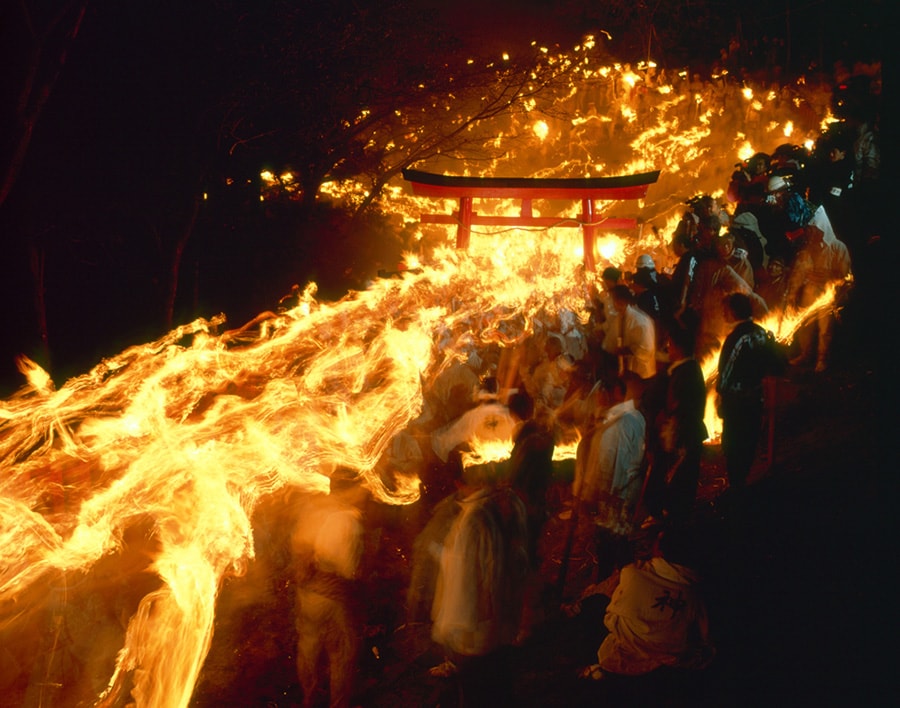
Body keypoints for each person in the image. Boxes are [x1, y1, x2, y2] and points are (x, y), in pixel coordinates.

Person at [428, 471, 529, 702]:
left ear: (459, 483)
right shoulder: (494, 508)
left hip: (474, 628)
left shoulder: (474, 518)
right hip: (492, 622)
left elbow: (466, 579)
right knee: (496, 682)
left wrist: (450, 627)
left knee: (479, 689)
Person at [579, 524, 714, 680]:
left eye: (655, 542)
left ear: (661, 551)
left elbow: (612, 611)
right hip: (665, 657)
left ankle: (592, 665)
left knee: (595, 604)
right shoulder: (694, 594)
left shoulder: (634, 573)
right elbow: (704, 635)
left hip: (633, 646)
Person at [292, 470, 370, 708]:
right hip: (334, 597)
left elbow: (299, 544)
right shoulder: (348, 519)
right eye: (360, 488)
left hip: (308, 594)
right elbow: (349, 570)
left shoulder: (315, 508)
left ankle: (308, 697)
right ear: (349, 490)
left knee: (309, 647)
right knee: (342, 656)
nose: (364, 493)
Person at [642, 325, 708, 528]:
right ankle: (668, 516)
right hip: (681, 437)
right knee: (675, 482)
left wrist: (667, 434)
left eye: (670, 346)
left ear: (678, 348)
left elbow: (680, 409)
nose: (668, 350)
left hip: (683, 439)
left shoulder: (686, 373)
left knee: (680, 482)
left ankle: (674, 524)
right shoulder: (685, 370)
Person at [716, 293, 776, 492]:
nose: (723, 314)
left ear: (733, 311)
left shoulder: (737, 338)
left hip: (737, 402)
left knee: (734, 444)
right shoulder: (760, 333)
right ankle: (742, 482)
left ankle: (736, 487)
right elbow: (774, 365)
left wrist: (721, 392)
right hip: (755, 398)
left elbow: (727, 370)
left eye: (726, 310)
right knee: (749, 442)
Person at [784, 205, 852, 372]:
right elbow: (800, 272)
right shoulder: (809, 249)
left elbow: (845, 275)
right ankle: (805, 354)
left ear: (822, 230)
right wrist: (792, 294)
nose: (810, 233)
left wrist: (831, 285)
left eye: (814, 230)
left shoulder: (837, 247)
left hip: (828, 294)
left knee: (825, 328)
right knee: (805, 323)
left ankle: (822, 359)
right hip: (810, 291)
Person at [610, 285, 657, 380]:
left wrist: (626, 350)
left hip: (642, 374)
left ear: (619, 302)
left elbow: (647, 350)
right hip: (630, 371)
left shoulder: (640, 322)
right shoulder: (622, 315)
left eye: (611, 300)